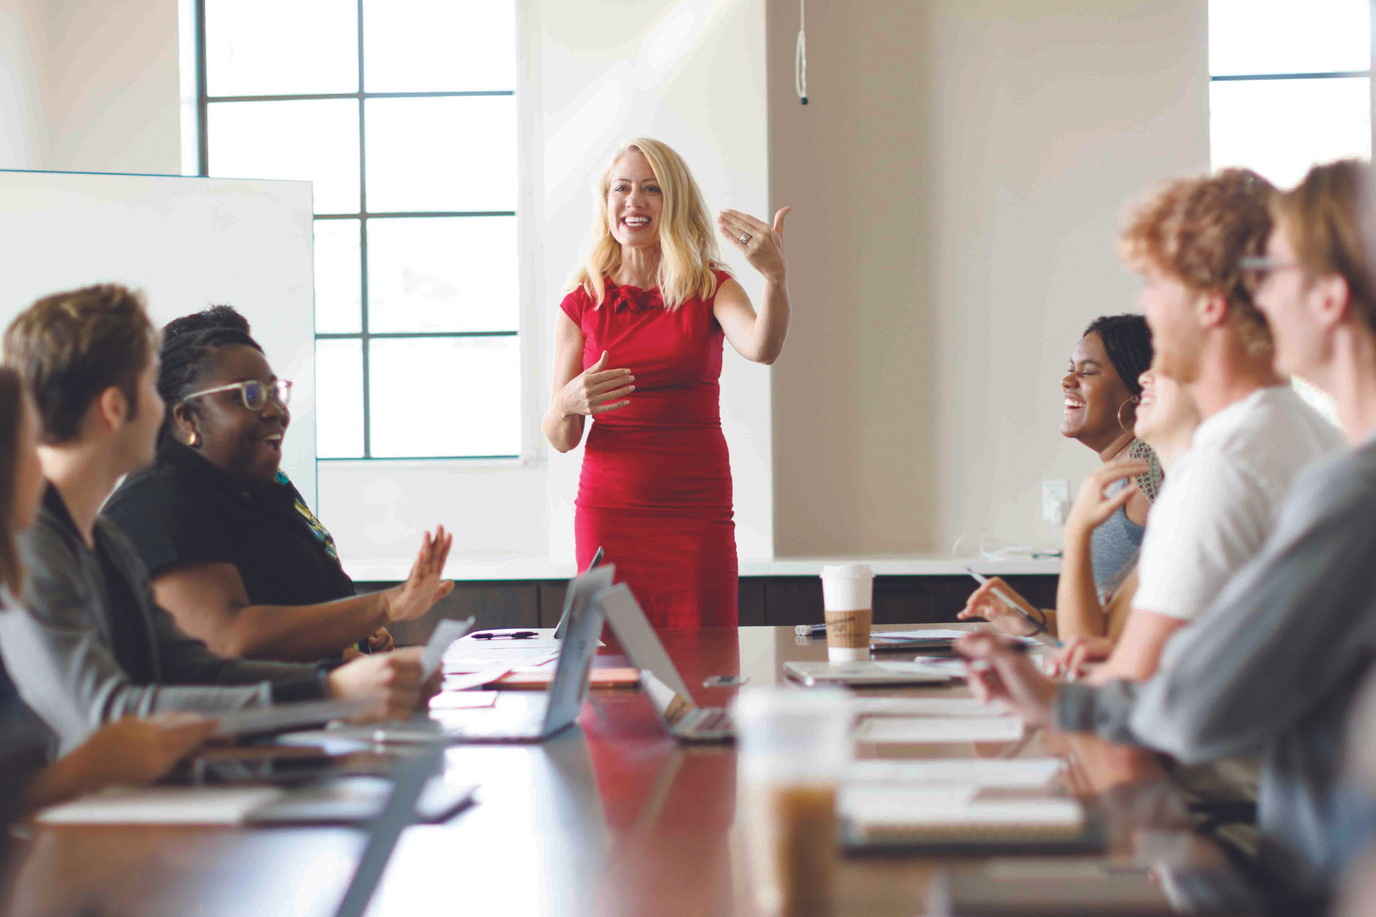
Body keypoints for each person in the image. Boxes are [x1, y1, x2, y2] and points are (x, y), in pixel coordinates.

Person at [961, 159, 1376, 903]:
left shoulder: (1280, 470)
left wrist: (1058, 699)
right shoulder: (1314, 450)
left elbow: (1188, 704)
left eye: (1274, 272)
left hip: (1261, 846)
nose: (1147, 316)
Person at [0, 284, 431, 754]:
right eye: (151, 385)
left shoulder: (102, 538)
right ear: (115, 407)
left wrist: (341, 685)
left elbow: (196, 667)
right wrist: (331, 694)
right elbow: (105, 714)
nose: (165, 404)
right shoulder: (30, 542)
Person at [104, 306, 453, 662]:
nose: (276, 411)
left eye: (275, 393)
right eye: (250, 395)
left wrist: (363, 636)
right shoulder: (161, 497)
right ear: (187, 416)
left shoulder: (256, 491)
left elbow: (300, 607)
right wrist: (384, 608)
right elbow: (228, 641)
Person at [542, 138, 793, 627]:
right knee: (610, 675)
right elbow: (562, 437)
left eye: (651, 189)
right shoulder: (581, 300)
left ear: (672, 203)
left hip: (695, 514)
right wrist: (567, 403)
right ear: (607, 201)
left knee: (703, 666)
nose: (634, 201)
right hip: (609, 515)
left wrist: (775, 279)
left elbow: (763, 347)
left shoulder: (710, 286)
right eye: (623, 188)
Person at [0, 366, 215, 838]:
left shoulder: (104, 542)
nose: (44, 463)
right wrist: (84, 768)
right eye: (31, 444)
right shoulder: (41, 552)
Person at [959, 314, 1163, 643]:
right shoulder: (1120, 475)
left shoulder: (1144, 474)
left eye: (1087, 371)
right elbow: (1101, 626)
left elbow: (1122, 636)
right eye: (1071, 368)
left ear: (1139, 390)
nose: (1067, 380)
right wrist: (1032, 619)